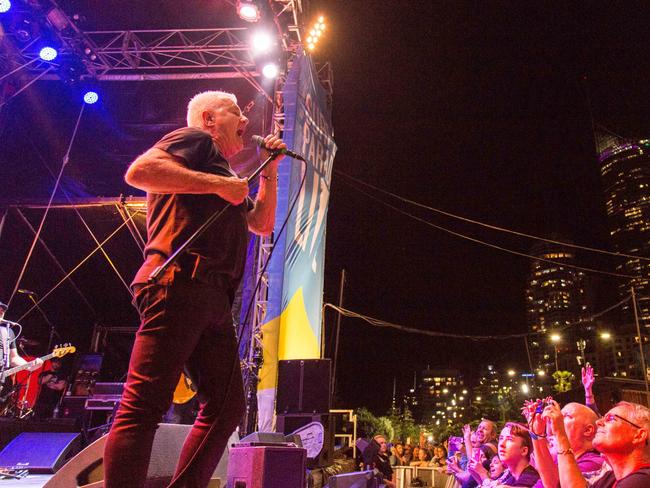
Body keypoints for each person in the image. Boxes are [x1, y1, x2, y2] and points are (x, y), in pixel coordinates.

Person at [103, 90, 286, 488]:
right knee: (144, 407)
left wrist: (269, 170)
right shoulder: (197, 140)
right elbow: (140, 171)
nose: (244, 119)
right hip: (179, 282)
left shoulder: (222, 172)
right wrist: (215, 185)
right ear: (208, 119)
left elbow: (262, 223)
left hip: (212, 299)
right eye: (234, 111)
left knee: (226, 407)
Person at [543, 400, 650, 487]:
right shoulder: (611, 477)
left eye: (611, 418)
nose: (598, 422)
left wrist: (560, 435)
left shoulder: (642, 480)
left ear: (639, 435)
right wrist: (537, 435)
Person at [524, 399, 603, 488]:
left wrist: (559, 432)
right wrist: (536, 432)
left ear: (588, 430)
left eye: (566, 416)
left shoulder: (593, 463)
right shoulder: (559, 460)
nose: (557, 419)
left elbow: (555, 486)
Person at [496, 422, 540, 487]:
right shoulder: (509, 476)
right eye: (501, 438)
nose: (501, 444)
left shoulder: (530, 477)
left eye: (510, 439)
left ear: (524, 451)